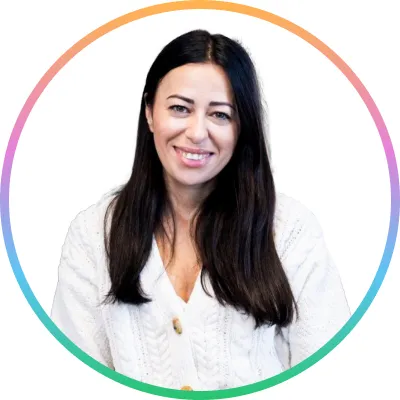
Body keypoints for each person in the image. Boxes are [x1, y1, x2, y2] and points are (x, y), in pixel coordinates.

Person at [51, 29, 350, 391]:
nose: (197, 132)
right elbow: (72, 383)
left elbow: (333, 379)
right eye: (180, 108)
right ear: (149, 112)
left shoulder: (290, 231)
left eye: (220, 115)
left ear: (242, 127)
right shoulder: (93, 235)